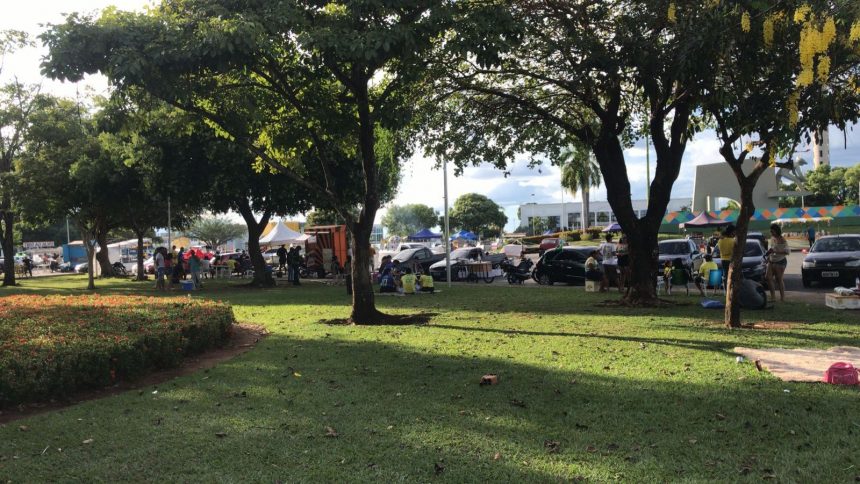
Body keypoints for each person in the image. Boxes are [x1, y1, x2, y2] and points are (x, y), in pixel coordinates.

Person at [767, 223, 790, 302]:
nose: (771, 233)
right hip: (771, 260)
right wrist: (768, 254)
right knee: (768, 277)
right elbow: (772, 249)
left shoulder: (782, 239)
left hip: (780, 261)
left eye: (773, 231)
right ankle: (773, 297)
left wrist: (776, 251)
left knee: (779, 279)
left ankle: (782, 298)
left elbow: (787, 251)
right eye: (771, 231)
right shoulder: (772, 238)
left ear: (777, 231)